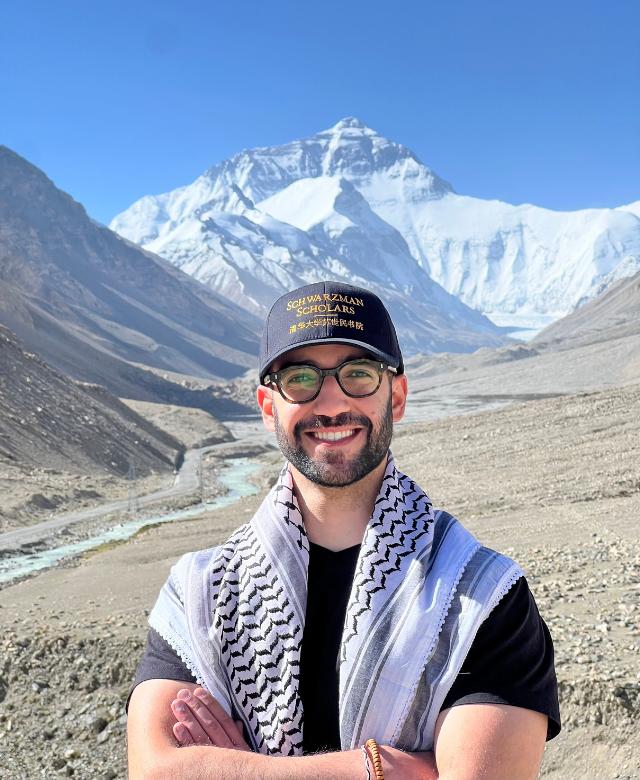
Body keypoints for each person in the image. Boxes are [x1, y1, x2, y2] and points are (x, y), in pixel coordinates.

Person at [127, 281, 560, 780]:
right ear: (270, 408)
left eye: (357, 373)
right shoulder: (200, 593)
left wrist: (235, 769)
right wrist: (378, 769)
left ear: (395, 397)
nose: (331, 402)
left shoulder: (480, 597)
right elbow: (157, 772)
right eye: (300, 378)